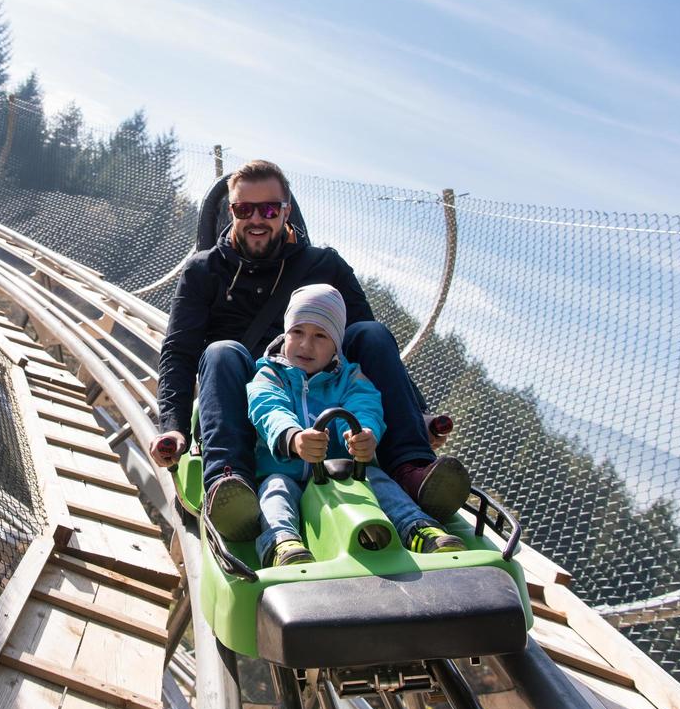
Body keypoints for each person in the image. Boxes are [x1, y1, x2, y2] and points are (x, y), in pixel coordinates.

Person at [150, 159, 470, 541]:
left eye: (269, 209)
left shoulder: (323, 264)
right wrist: (172, 426)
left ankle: (411, 468)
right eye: (243, 209)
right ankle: (230, 484)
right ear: (230, 212)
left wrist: (418, 413)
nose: (257, 219)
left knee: (369, 330)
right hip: (245, 391)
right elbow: (180, 352)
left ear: (286, 211)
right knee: (221, 350)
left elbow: (372, 346)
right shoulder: (204, 270)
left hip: (321, 388)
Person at [248, 285, 466, 566]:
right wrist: (293, 437)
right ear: (285, 333)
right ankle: (281, 542)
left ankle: (417, 527)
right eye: (297, 332)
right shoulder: (270, 373)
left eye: (320, 336)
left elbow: (365, 404)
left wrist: (362, 433)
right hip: (284, 469)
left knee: (377, 481)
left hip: (342, 473)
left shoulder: (350, 377)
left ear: (336, 344)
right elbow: (268, 408)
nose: (305, 345)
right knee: (275, 490)